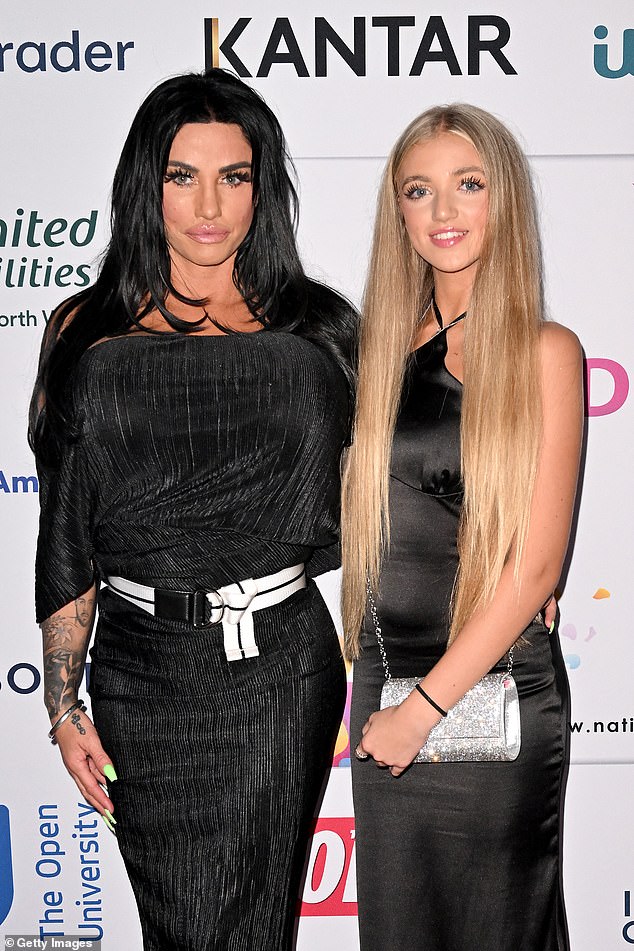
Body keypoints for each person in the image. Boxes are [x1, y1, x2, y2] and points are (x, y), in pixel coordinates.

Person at [30, 68, 356, 951]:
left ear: (262, 187)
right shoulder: (84, 329)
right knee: (178, 926)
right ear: (148, 184)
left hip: (276, 671)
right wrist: (63, 703)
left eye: (234, 176)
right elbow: (66, 528)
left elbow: (387, 494)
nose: (209, 205)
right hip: (138, 676)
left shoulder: (320, 331)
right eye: (183, 176)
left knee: (253, 925)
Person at [343, 103, 583, 951]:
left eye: (468, 184)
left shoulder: (546, 351)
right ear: (399, 212)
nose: (443, 211)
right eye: (419, 190)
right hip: (384, 685)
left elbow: (536, 566)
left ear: (502, 197)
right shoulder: (372, 353)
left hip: (495, 692)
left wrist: (423, 711)